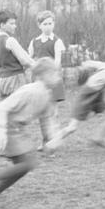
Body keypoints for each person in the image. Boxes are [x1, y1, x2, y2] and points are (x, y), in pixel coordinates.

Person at [0, 58, 62, 209]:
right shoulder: (29, 91)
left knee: (23, 167)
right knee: (27, 164)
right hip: (9, 128)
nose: (58, 77)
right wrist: (1, 130)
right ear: (43, 75)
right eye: (54, 73)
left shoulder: (48, 95)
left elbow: (46, 119)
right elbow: (2, 107)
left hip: (19, 131)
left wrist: (51, 139)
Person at [45, 46, 105, 152]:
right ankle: (50, 145)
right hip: (86, 98)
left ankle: (97, 138)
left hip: (97, 97)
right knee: (72, 127)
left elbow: (93, 63)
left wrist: (85, 64)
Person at [27, 10, 67, 147]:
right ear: (39, 25)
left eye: (51, 23)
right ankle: (46, 140)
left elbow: (57, 62)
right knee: (41, 113)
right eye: (45, 24)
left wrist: (49, 75)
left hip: (53, 81)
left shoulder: (57, 41)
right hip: (39, 82)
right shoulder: (34, 42)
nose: (48, 26)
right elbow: (29, 58)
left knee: (53, 112)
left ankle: (53, 140)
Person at [0, 9, 35, 98]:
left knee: (8, 109)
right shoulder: (10, 40)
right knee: (20, 108)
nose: (15, 26)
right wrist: (36, 65)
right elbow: (24, 60)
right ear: (2, 25)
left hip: (2, 81)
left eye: (15, 23)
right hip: (16, 80)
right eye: (11, 24)